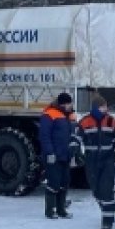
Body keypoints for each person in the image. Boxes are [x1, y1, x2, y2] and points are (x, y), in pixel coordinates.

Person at [75, 93, 115, 229]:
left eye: (106, 106)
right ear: (96, 108)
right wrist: (75, 151)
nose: (105, 108)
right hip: (91, 161)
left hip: (108, 160)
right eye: (103, 106)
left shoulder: (111, 121)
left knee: (106, 190)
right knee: (96, 190)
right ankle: (111, 208)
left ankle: (107, 221)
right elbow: (77, 137)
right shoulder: (85, 121)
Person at [38, 91, 77, 219]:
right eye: (69, 103)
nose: (71, 105)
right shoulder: (49, 115)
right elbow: (45, 136)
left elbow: (73, 135)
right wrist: (50, 152)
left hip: (65, 155)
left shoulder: (69, 116)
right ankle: (50, 210)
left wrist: (74, 151)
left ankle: (61, 210)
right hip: (53, 155)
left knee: (64, 182)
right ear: (63, 104)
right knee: (53, 182)